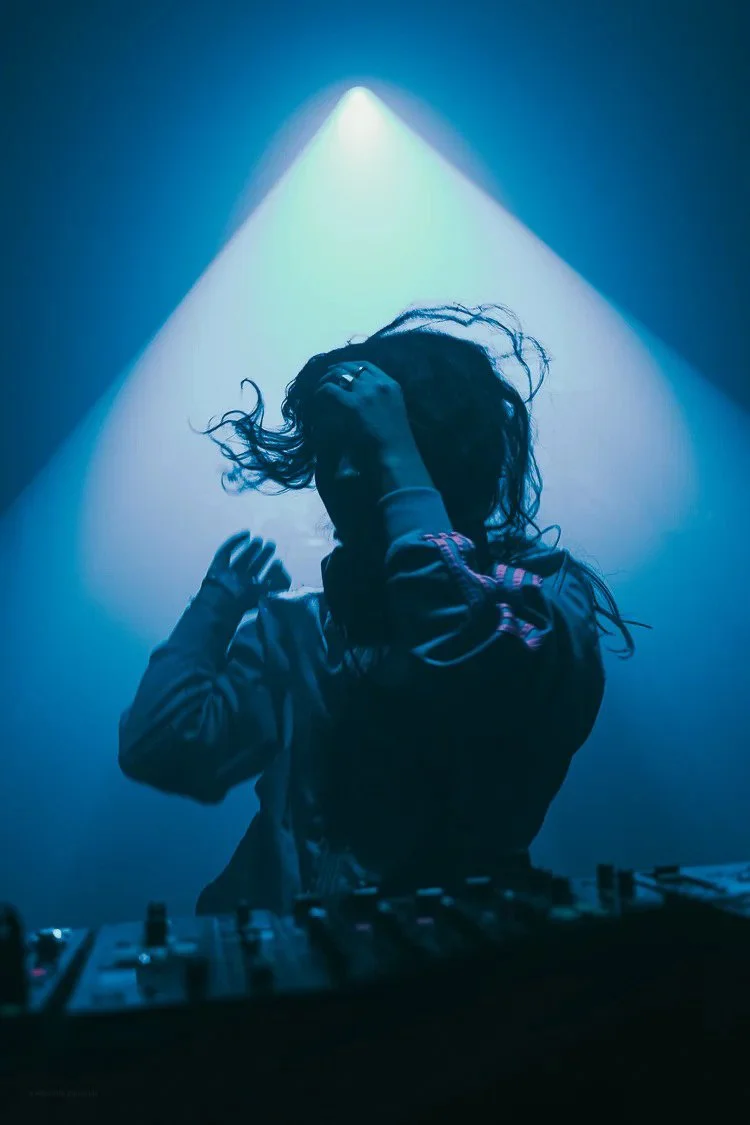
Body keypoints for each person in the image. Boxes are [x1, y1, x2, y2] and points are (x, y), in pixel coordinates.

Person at [118, 303, 646, 915]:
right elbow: (161, 748)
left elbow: (462, 647)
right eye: (328, 450)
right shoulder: (298, 630)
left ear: (444, 454)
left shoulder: (541, 603)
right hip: (289, 976)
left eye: (368, 447)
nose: (340, 474)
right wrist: (214, 606)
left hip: (452, 978)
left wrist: (397, 449)